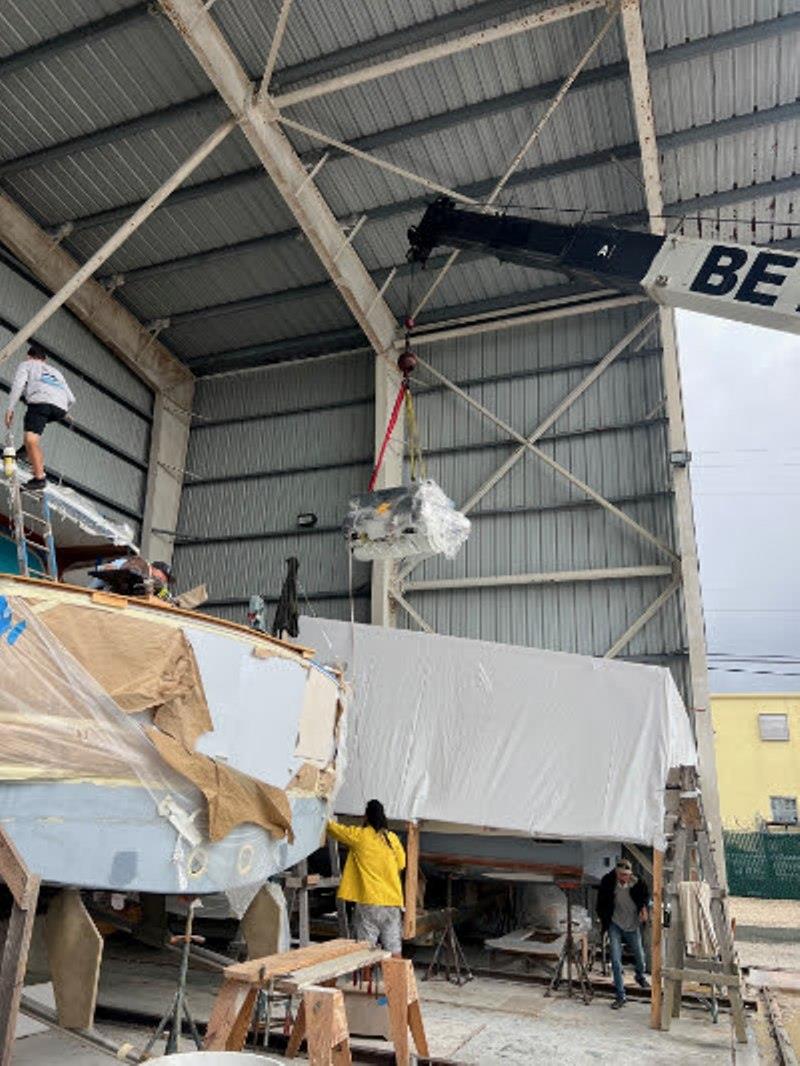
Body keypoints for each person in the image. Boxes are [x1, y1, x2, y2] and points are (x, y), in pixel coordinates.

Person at [327, 799, 406, 957]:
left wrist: (323, 812)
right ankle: (398, 980)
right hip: (392, 901)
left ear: (366, 816)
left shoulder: (360, 836)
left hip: (369, 901)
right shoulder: (392, 839)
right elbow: (401, 864)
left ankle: (365, 981)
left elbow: (334, 829)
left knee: (365, 951)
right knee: (394, 948)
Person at [4, 343, 75, 491]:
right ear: (44, 360)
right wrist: (64, 411)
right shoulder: (57, 372)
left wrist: (10, 409)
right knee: (32, 435)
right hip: (59, 409)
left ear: (29, 356)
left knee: (31, 439)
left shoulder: (27, 364)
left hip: (41, 403)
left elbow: (18, 385)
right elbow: (71, 398)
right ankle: (26, 451)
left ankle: (39, 478)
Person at [596, 858, 650, 1009]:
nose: (622, 878)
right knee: (615, 960)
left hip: (632, 925)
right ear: (616, 873)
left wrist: (644, 909)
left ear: (630, 874)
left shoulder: (638, 883)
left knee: (640, 958)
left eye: (625, 875)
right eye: (620, 874)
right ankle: (620, 996)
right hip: (615, 924)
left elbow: (645, 898)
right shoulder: (608, 882)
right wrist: (603, 920)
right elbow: (600, 903)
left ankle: (639, 976)